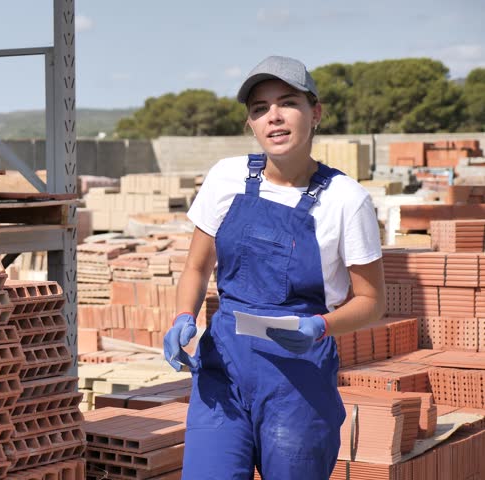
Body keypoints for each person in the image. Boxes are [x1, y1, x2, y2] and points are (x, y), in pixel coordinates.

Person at [163, 55, 386, 479]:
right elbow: (196, 266)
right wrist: (182, 317)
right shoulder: (225, 178)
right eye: (260, 109)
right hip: (223, 371)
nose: (274, 117)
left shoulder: (346, 200)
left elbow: (372, 302)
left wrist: (320, 327)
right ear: (250, 123)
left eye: (288, 103)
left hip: (297, 383)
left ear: (315, 112)